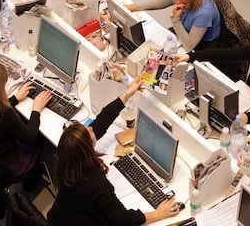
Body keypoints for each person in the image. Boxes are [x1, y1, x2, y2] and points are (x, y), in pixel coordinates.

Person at [47, 77, 182, 225]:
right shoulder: (95, 182)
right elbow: (123, 220)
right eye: (90, 130)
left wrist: (128, 94)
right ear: (86, 149)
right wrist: (158, 214)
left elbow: (101, 122)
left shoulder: (67, 160)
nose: (92, 127)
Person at [125, 0, 220, 52]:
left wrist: (175, 19)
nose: (177, 1)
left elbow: (189, 46)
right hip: (183, 31)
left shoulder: (205, 12)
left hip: (202, 45)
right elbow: (160, 3)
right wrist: (134, 7)